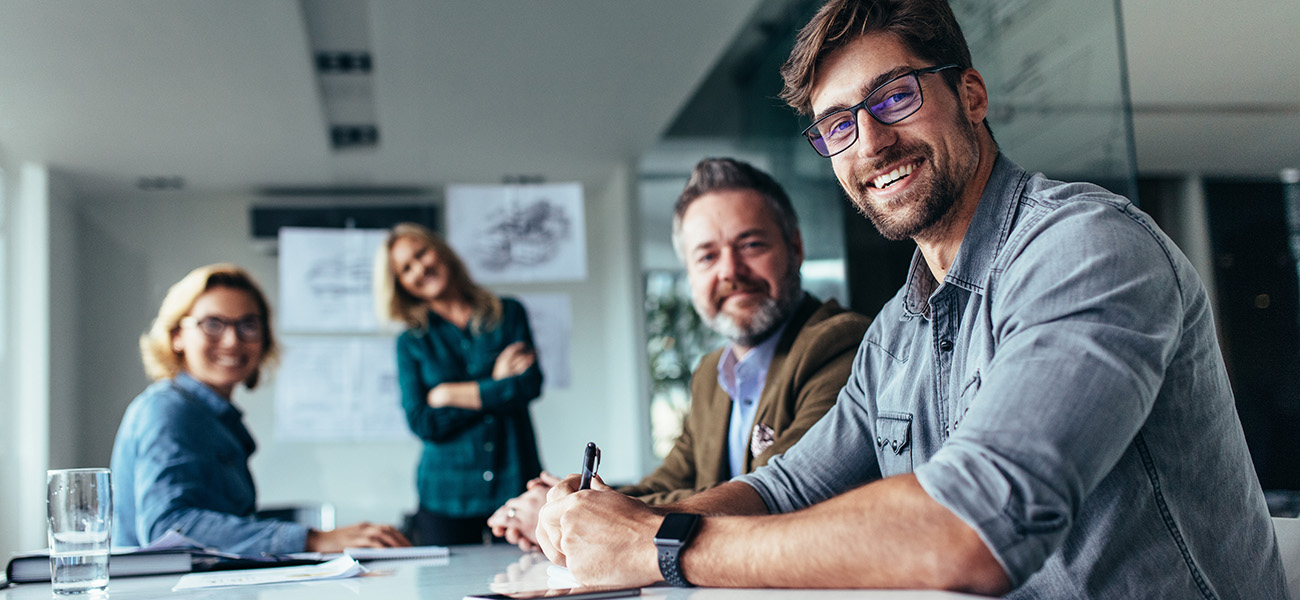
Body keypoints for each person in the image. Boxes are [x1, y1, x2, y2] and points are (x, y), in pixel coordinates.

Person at [534, 0, 1288, 597]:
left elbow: (975, 527)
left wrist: (661, 546)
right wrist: (625, 523)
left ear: (971, 93)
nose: (869, 143)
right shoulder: (899, 329)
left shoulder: (1085, 248)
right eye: (837, 125)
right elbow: (786, 486)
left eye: (894, 96)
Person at [486, 158, 871, 550]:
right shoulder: (711, 374)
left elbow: (774, 493)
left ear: (795, 247)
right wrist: (576, 503)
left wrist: (579, 515)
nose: (730, 271)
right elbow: (672, 481)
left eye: (751, 244)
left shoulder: (838, 344)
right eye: (707, 256)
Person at [112, 263, 410, 555]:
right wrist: (312, 540)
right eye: (212, 324)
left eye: (248, 325)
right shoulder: (169, 410)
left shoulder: (215, 418)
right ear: (177, 335)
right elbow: (168, 528)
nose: (232, 340)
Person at [375, 222, 544, 545]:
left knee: (528, 585)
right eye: (406, 268)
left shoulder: (508, 313)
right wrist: (495, 383)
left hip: (515, 482)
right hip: (445, 495)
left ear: (440, 250)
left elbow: (529, 385)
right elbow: (423, 421)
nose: (419, 268)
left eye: (421, 254)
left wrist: (449, 393)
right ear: (400, 284)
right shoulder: (411, 341)